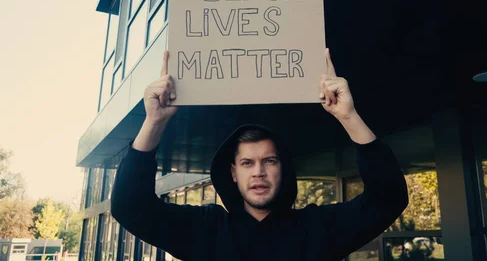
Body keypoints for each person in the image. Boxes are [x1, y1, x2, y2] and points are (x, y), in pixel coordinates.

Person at [111, 49, 409, 261]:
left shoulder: (317, 228)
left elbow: (388, 199)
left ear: (283, 168)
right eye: (247, 163)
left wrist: (348, 116)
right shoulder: (205, 230)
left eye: (269, 161)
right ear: (232, 172)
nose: (259, 172)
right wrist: (154, 121)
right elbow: (129, 207)